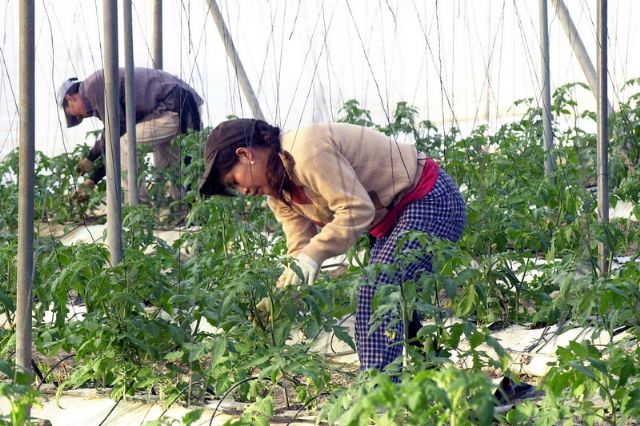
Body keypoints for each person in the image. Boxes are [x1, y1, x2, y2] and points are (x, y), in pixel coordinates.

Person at [198, 119, 467, 374]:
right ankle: (431, 381)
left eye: (235, 180)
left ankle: (379, 398)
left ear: (246, 154)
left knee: (376, 292)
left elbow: (356, 210)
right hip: (393, 218)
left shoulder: (306, 151)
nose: (242, 191)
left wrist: (314, 255)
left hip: (429, 198)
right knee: (395, 301)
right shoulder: (280, 195)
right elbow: (299, 254)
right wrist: (281, 297)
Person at [57, 67, 203, 202]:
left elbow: (115, 132)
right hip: (187, 105)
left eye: (72, 113)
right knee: (167, 163)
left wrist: (91, 158)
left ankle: (138, 207)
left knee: (125, 144)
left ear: (70, 98)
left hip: (173, 106)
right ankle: (181, 209)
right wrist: (93, 174)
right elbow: (115, 132)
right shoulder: (95, 89)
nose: (78, 117)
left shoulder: (93, 87)